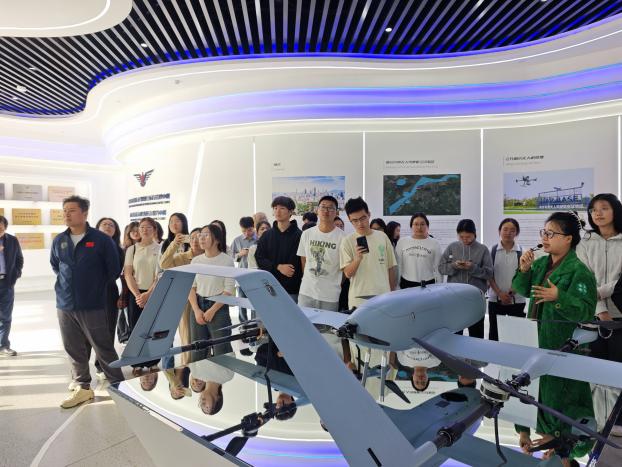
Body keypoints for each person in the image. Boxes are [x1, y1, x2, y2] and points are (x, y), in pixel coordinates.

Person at [513, 212, 596, 461]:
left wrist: (559, 298)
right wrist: (523, 269)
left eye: (551, 233)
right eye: (544, 232)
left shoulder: (579, 271)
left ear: (568, 238)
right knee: (531, 386)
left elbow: (586, 311)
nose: (545, 238)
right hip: (534, 340)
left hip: (562, 348)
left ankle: (563, 444)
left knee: (561, 396)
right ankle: (533, 432)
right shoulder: (540, 264)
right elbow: (522, 289)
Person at [50, 196, 124, 408]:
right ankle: (82, 387)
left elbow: (113, 270)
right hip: (65, 304)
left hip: (92, 304)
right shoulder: (59, 240)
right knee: (73, 347)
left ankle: (120, 385)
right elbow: (56, 266)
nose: (66, 214)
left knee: (103, 346)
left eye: (72, 210)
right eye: (64, 210)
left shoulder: (101, 240)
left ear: (84, 213)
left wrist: (93, 287)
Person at [576, 193, 622, 434]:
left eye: (604, 208)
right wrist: (601, 309)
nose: (598, 213)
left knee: (618, 370)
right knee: (595, 371)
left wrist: (599, 293)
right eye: (594, 209)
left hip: (621, 316)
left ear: (616, 210)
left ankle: (618, 423)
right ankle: (599, 422)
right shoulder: (585, 243)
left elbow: (621, 283)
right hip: (593, 319)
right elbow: (583, 281)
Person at [188, 224, 235, 363]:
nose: (201, 238)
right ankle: (199, 375)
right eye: (200, 235)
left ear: (217, 240)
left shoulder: (226, 261)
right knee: (197, 350)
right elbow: (191, 288)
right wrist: (196, 310)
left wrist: (212, 310)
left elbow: (228, 290)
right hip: (198, 305)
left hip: (218, 307)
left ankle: (223, 376)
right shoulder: (196, 261)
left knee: (222, 350)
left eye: (206, 235)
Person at [439, 219, 492, 338]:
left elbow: (489, 273)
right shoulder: (452, 247)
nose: (465, 240)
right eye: (461, 237)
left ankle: (476, 351)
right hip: (454, 298)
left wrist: (473, 268)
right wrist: (454, 266)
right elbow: (441, 268)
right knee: (455, 334)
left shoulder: (482, 249)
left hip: (475, 299)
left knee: (476, 334)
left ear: (475, 234)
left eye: (468, 237)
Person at [340, 197, 397, 310]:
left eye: (363, 218)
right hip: (358, 298)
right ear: (349, 220)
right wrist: (357, 259)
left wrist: (391, 293)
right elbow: (347, 274)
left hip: (383, 296)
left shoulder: (382, 237)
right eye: (355, 220)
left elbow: (391, 268)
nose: (360, 223)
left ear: (369, 214)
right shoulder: (347, 241)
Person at [159, 227, 204, 366]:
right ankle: (188, 367)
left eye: (198, 237)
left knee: (206, 338)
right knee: (188, 337)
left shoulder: (208, 258)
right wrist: (174, 244)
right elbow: (163, 264)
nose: (195, 241)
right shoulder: (182, 257)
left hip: (206, 299)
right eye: (192, 237)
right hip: (186, 301)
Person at [124, 217, 161, 376]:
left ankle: (153, 362)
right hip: (136, 294)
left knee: (154, 329)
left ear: (154, 230)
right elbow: (128, 274)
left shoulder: (160, 248)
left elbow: (160, 275)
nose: (145, 230)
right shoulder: (132, 249)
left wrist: (148, 294)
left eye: (148, 227)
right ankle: (136, 363)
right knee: (136, 329)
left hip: (155, 293)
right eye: (142, 227)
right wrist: (138, 295)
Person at [297, 195, 346, 312]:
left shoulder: (343, 238)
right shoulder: (307, 234)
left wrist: (337, 283)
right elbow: (304, 260)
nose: (326, 211)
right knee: (303, 322)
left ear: (336, 212)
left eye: (331, 208)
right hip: (306, 292)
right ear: (317, 210)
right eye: (323, 207)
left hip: (330, 295)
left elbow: (344, 267)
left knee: (327, 324)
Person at [93, 217, 124, 378]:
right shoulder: (89, 245)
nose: (108, 226)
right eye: (104, 224)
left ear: (115, 231)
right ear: (97, 227)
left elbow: (117, 272)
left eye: (111, 225)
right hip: (90, 291)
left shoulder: (118, 249)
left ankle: (102, 364)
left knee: (108, 329)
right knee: (91, 329)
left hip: (109, 291)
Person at [255, 196, 303, 302]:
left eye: (282, 208)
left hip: (292, 289)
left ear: (291, 211)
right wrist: (278, 267)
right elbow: (259, 258)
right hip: (269, 287)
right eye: (275, 208)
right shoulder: (267, 235)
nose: (277, 211)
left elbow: (301, 264)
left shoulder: (300, 236)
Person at [487, 218, 526, 341]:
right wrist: (500, 293)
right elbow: (489, 275)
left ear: (517, 233)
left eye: (512, 230)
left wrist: (513, 290)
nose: (508, 233)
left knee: (518, 335)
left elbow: (524, 275)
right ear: (499, 231)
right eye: (505, 229)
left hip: (517, 300)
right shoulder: (491, 251)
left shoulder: (523, 252)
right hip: (495, 300)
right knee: (495, 334)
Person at [395, 213, 442, 289]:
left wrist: (439, 286)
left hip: (428, 284)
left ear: (427, 226)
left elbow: (438, 267)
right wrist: (396, 285)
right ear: (411, 226)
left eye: (422, 224)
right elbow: (399, 265)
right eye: (416, 224)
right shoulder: (402, 242)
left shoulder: (435, 243)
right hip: (406, 283)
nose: (419, 227)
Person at [0, 215, 23, 357]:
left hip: (6, 283)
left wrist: (16, 274)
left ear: (5, 226)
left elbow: (19, 259)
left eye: (1, 224)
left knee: (6, 316)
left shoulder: (12, 240)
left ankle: (3, 345)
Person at [231, 216, 257, 323]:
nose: (246, 233)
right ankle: (243, 326)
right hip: (241, 276)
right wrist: (239, 254)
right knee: (242, 303)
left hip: (255, 276)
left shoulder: (259, 239)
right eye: (243, 231)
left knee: (255, 303)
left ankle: (255, 326)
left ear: (253, 227)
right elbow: (231, 257)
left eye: (249, 230)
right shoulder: (237, 240)